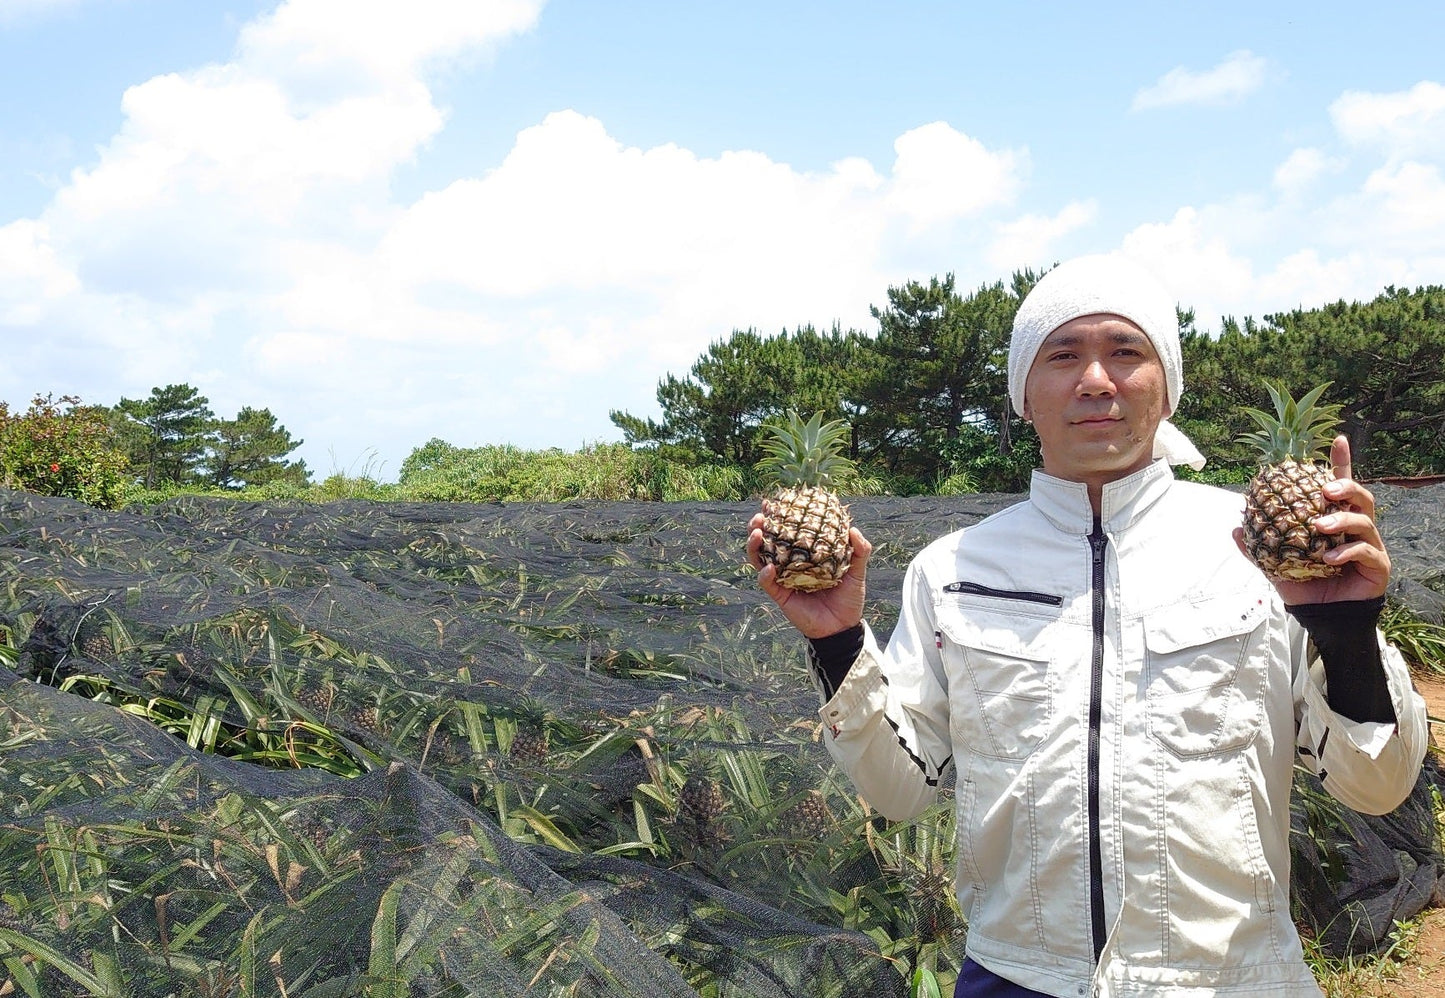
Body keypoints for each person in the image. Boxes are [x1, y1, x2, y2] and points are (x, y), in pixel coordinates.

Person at [746, 255, 1429, 998]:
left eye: (1126, 352)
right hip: (1017, 975)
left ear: (1166, 390)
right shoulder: (953, 569)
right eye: (1062, 355)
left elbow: (1377, 786)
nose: (1096, 380)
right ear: (1022, 396)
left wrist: (1346, 632)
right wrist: (837, 640)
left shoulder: (1264, 556)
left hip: (1229, 978)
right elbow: (906, 792)